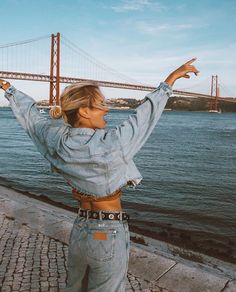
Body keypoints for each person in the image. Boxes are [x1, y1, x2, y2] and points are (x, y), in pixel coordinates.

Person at [0, 58, 199, 292]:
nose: (107, 108)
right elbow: (144, 117)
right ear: (84, 111)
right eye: (101, 104)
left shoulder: (54, 138)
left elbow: (31, 117)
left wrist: (9, 89)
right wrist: (169, 81)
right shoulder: (112, 144)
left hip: (80, 231)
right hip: (107, 233)